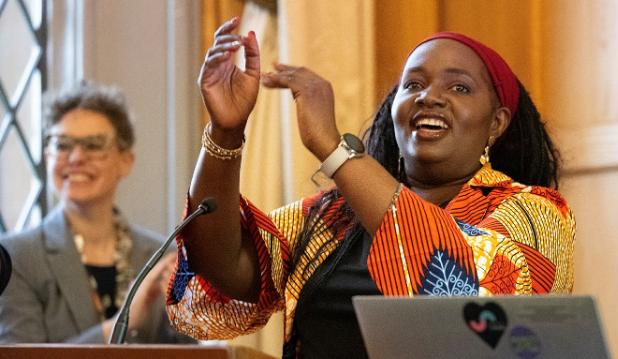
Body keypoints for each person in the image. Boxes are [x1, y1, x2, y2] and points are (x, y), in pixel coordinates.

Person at [166, 17, 575, 358]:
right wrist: (226, 130)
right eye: (413, 85)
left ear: (497, 123)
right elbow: (223, 267)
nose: (429, 97)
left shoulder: (535, 213)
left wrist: (333, 149)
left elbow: (467, 287)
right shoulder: (331, 217)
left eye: (459, 87)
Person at [0, 82, 193, 344]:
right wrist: (120, 324)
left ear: (125, 161)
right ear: (48, 157)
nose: (76, 157)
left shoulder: (163, 256)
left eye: (93, 145)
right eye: (63, 144)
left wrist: (192, 313)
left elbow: (187, 351)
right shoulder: (15, 258)